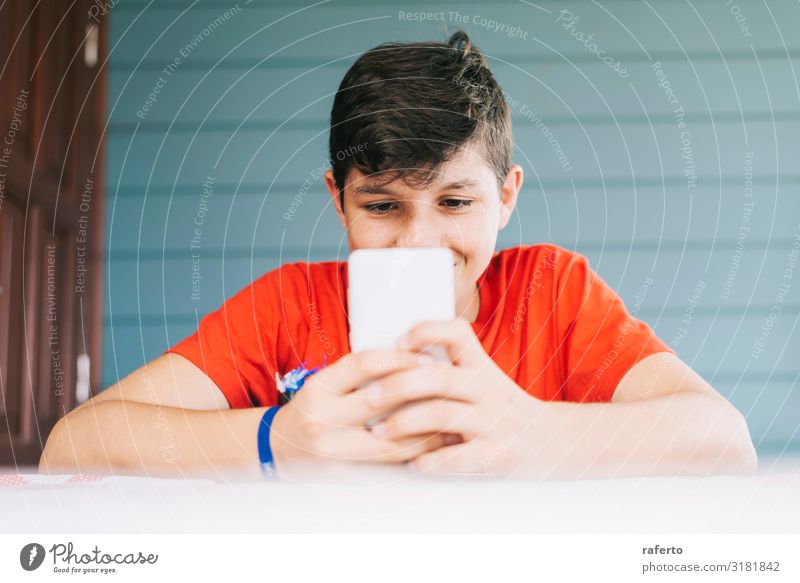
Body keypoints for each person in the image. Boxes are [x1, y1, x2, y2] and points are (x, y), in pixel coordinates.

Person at [40, 31, 756, 479]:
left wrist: (535, 431)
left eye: (454, 202)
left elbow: (726, 442)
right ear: (338, 199)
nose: (418, 242)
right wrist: (271, 438)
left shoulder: (553, 291)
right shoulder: (289, 305)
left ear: (506, 197)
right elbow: (73, 445)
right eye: (383, 206)